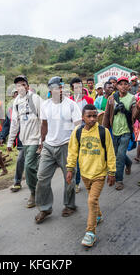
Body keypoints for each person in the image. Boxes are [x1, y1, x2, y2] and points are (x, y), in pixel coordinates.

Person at [66, 104, 116, 247]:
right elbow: (72, 152)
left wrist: (111, 172)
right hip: (85, 173)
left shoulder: (103, 132)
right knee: (92, 199)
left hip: (99, 173)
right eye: (89, 116)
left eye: (95, 115)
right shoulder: (77, 132)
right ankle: (98, 215)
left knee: (91, 200)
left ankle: (90, 232)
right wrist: (70, 169)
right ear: (83, 117)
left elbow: (110, 152)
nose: (92, 119)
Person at [34, 76, 82, 224]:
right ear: (50, 90)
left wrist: (76, 146)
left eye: (61, 87)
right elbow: (44, 125)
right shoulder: (45, 105)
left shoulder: (72, 105)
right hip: (48, 145)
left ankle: (69, 205)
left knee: (69, 178)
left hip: (66, 145)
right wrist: (41, 142)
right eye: (56, 87)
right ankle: (45, 208)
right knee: (42, 177)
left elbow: (78, 126)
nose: (60, 90)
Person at [7, 75, 43, 208]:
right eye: (17, 85)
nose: (20, 87)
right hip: (24, 140)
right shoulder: (16, 102)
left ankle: (33, 193)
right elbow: (14, 123)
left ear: (27, 86)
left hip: (35, 139)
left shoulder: (36, 99)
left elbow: (43, 119)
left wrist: (41, 139)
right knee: (33, 168)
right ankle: (40, 187)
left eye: (22, 84)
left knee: (28, 167)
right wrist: (10, 141)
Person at [103, 76, 135, 190]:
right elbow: (106, 115)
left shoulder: (132, 98)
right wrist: (104, 130)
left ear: (129, 86)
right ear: (117, 86)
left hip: (126, 131)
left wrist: (126, 111)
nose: (123, 86)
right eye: (121, 84)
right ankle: (129, 163)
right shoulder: (112, 98)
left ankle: (119, 180)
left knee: (120, 156)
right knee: (117, 154)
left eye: (126, 84)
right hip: (114, 131)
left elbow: (134, 116)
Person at [69, 77, 94, 193]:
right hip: (74, 134)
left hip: (88, 132)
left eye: (80, 86)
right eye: (76, 87)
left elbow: (94, 116)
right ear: (72, 89)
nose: (78, 89)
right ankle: (77, 183)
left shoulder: (88, 100)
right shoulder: (68, 101)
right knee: (77, 159)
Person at [0, 89, 25, 192]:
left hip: (32, 139)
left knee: (31, 163)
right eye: (14, 95)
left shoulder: (29, 107)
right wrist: (2, 137)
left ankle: (36, 183)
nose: (16, 97)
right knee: (20, 160)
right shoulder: (10, 110)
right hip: (20, 140)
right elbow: (6, 125)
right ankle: (17, 182)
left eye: (18, 94)